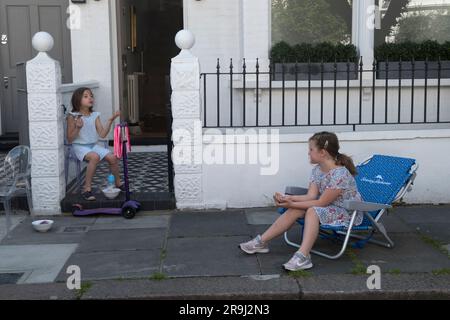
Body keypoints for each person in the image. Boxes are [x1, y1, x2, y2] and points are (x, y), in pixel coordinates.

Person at [239, 131, 363, 271]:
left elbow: (321, 203)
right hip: (328, 208)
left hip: (347, 213)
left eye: (311, 149)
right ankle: (261, 242)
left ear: (323, 152)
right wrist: (288, 198)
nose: (308, 153)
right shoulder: (318, 170)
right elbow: (311, 196)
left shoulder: (340, 174)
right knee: (297, 209)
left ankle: (303, 256)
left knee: (312, 211)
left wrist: (291, 203)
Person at [67, 87, 122, 201]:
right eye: (86, 96)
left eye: (91, 96)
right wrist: (78, 128)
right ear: (78, 99)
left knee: (112, 157)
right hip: (79, 146)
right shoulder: (73, 116)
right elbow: (70, 139)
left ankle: (118, 184)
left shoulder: (95, 115)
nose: (90, 98)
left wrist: (110, 120)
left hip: (92, 145)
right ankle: (87, 189)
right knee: (95, 157)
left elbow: (102, 134)